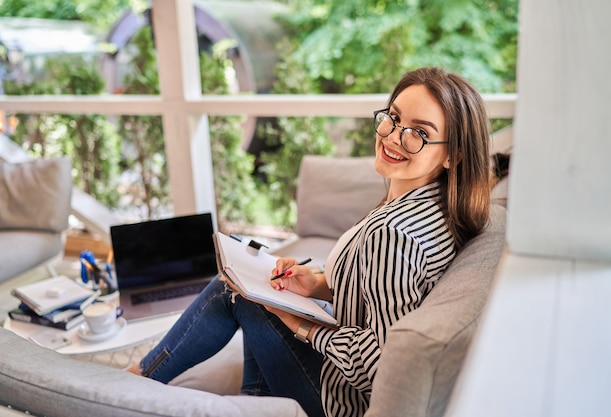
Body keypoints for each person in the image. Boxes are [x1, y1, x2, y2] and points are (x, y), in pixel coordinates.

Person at [128, 67, 492, 417]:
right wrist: (316, 285)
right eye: (394, 118)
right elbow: (385, 296)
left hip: (342, 402)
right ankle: (252, 400)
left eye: (419, 133)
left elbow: (380, 364)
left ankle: (130, 389)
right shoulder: (434, 205)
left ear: (453, 154)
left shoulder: (394, 233)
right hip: (344, 381)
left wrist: (304, 327)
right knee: (256, 282)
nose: (393, 136)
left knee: (236, 290)